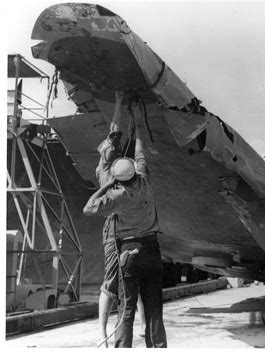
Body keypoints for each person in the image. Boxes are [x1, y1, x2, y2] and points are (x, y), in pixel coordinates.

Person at [83, 99, 167, 348]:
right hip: (149, 246)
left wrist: (119, 102)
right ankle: (153, 342)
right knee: (149, 300)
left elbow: (113, 134)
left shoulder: (114, 190)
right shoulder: (144, 181)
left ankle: (113, 338)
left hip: (124, 242)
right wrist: (137, 121)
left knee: (124, 300)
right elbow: (134, 149)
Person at [94, 91, 146, 347]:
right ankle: (102, 331)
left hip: (129, 228)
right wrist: (118, 102)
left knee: (138, 275)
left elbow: (125, 138)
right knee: (112, 281)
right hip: (115, 230)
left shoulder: (114, 168)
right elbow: (115, 133)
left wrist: (133, 115)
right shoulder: (107, 168)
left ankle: (142, 325)